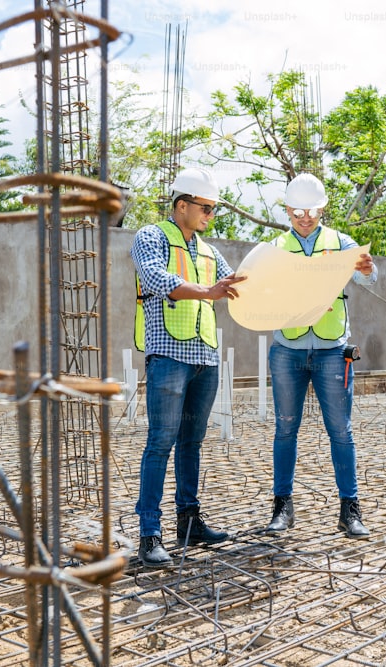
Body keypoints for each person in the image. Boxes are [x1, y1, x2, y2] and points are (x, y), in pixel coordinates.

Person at [130, 166, 247, 568]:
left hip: (204, 359)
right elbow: (156, 278)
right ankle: (149, 534)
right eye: (206, 208)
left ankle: (189, 520)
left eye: (213, 210)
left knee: (191, 443)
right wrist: (208, 291)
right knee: (160, 442)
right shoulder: (151, 237)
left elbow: (232, 282)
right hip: (168, 356)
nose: (210, 216)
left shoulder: (209, 250)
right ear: (182, 205)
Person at [263, 173, 376, 539]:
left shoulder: (340, 243)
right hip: (287, 350)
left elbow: (370, 277)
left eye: (310, 210)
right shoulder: (275, 247)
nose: (305, 217)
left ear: (322, 207)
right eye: (297, 211)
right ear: (287, 210)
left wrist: (367, 268)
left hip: (331, 351)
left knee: (340, 433)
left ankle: (350, 509)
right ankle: (282, 508)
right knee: (285, 430)